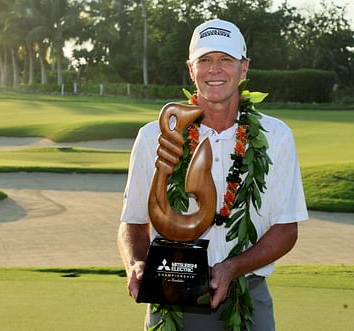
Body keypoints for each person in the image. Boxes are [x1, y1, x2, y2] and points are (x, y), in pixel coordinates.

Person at [118, 18, 308, 330]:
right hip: (172, 296)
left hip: (247, 296)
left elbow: (287, 229)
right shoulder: (154, 136)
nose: (214, 70)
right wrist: (135, 264)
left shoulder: (276, 136)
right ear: (191, 69)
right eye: (205, 60)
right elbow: (133, 224)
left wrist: (232, 267)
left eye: (226, 60)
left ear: (244, 69)